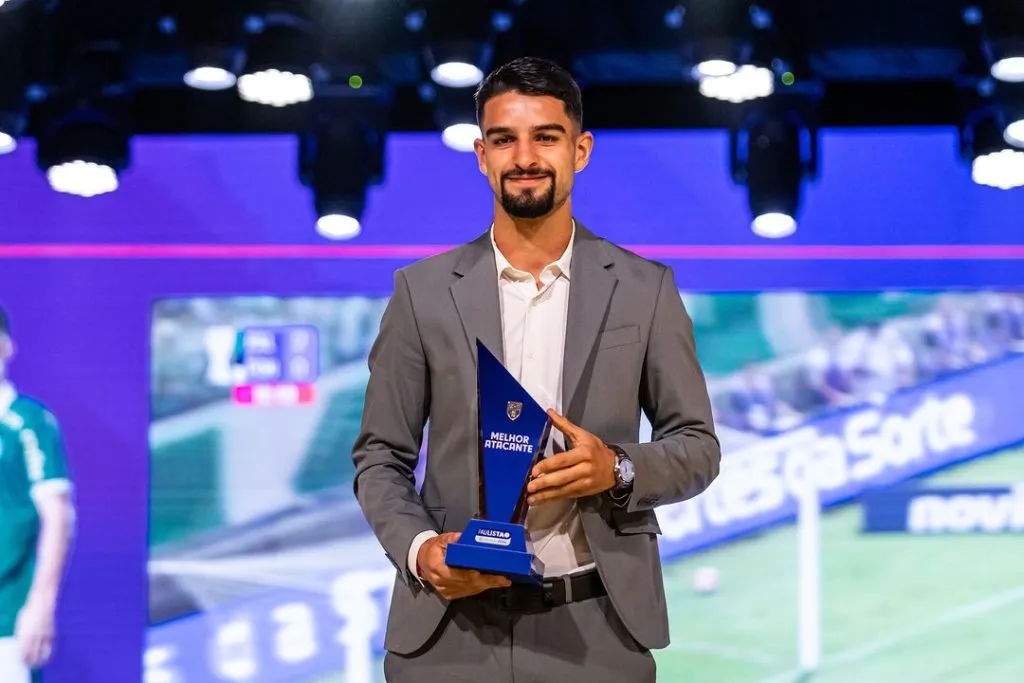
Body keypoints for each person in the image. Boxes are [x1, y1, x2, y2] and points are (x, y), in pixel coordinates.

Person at [351, 56, 721, 683]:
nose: (524, 157)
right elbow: (380, 456)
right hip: (450, 632)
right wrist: (421, 550)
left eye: (546, 137)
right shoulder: (421, 292)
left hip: (596, 632)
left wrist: (616, 468)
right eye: (504, 140)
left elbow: (697, 447)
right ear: (481, 155)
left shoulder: (646, 290)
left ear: (580, 150)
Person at [0, 307, 76, 683]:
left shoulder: (26, 422)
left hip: (6, 617)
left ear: (6, 346)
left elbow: (57, 515)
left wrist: (41, 605)